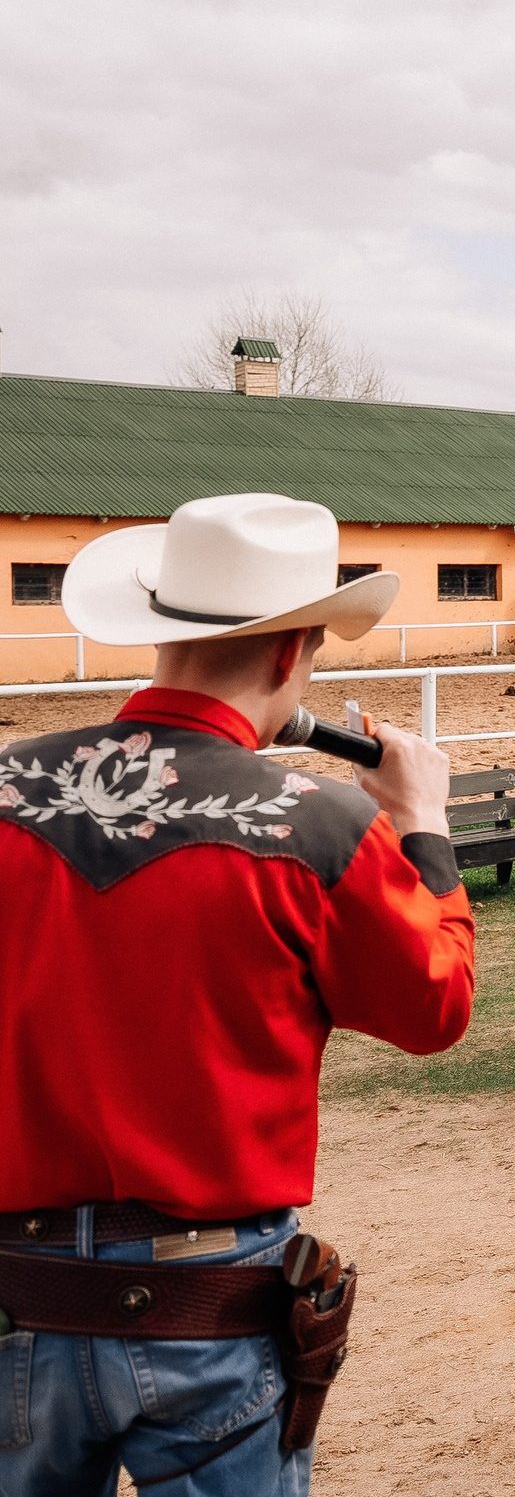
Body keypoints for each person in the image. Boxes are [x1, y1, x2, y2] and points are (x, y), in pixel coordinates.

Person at [3, 493, 475, 1491]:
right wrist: (422, 825)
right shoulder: (319, 826)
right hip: (207, 1296)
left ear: (161, 629)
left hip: (18, 1288)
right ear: (285, 655)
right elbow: (435, 1010)